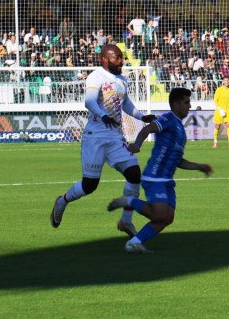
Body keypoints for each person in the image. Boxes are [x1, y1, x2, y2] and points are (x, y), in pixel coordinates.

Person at [51, 44, 155, 236]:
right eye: (117, 58)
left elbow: (126, 104)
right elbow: (89, 101)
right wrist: (103, 115)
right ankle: (62, 201)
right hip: (95, 137)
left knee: (134, 175)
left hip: (115, 137)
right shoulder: (95, 76)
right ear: (105, 59)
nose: (121, 61)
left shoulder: (123, 80)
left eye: (122, 57)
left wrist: (141, 117)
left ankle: (126, 221)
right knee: (89, 186)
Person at [107, 88, 212, 254]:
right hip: (154, 177)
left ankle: (134, 242)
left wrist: (199, 167)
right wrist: (138, 144)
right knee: (159, 215)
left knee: (167, 218)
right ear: (176, 104)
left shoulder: (180, 130)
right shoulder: (168, 118)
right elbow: (147, 129)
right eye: (186, 102)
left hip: (167, 181)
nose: (189, 106)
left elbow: (178, 161)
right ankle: (128, 201)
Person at [211, 75, 229, 148]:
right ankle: (215, 142)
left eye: (228, 80)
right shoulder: (219, 89)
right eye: (225, 80)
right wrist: (219, 109)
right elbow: (215, 100)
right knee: (217, 126)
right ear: (223, 81)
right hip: (219, 111)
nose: (227, 82)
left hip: (227, 111)